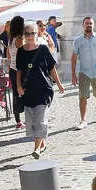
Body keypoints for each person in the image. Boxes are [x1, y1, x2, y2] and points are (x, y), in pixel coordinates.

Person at [17, 22, 64, 158]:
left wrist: (59, 84)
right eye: (27, 33)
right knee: (31, 122)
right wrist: (19, 86)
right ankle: (42, 142)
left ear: (37, 34)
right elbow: (19, 71)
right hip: (28, 90)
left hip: (43, 89)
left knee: (40, 119)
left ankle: (36, 149)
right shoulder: (21, 51)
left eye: (32, 33)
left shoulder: (43, 49)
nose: (30, 36)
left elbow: (52, 68)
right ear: (24, 35)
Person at [71, 16, 96, 130]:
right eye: (87, 23)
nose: (89, 25)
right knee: (82, 97)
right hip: (84, 72)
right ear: (83, 25)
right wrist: (73, 74)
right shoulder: (78, 40)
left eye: (91, 23)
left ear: (93, 25)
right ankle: (83, 120)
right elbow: (73, 57)